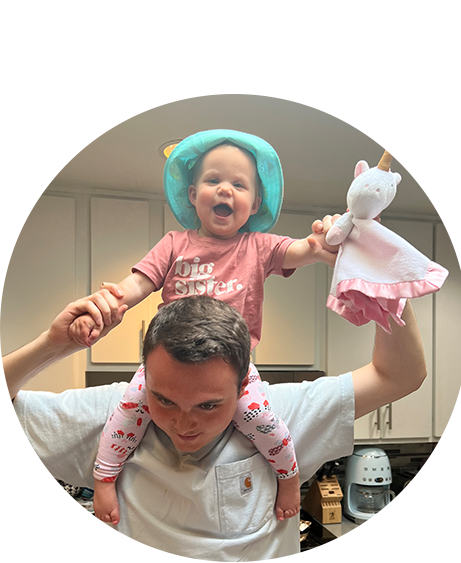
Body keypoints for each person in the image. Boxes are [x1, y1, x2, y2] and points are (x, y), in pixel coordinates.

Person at [0, 282, 426, 562]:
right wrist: (53, 344)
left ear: (243, 389)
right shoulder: (114, 411)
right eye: (163, 400)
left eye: (208, 406)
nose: (183, 423)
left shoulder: (280, 411)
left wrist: (384, 287)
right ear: (144, 376)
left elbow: (399, 375)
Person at [67, 129, 339, 525]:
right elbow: (139, 283)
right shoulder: (174, 243)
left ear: (255, 202)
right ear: (193, 194)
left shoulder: (259, 247)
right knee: (127, 413)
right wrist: (113, 301)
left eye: (238, 184)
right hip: (172, 363)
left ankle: (290, 475)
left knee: (266, 425)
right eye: (213, 180)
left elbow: (304, 249)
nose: (225, 190)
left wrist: (324, 240)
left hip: (231, 369)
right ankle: (104, 477)